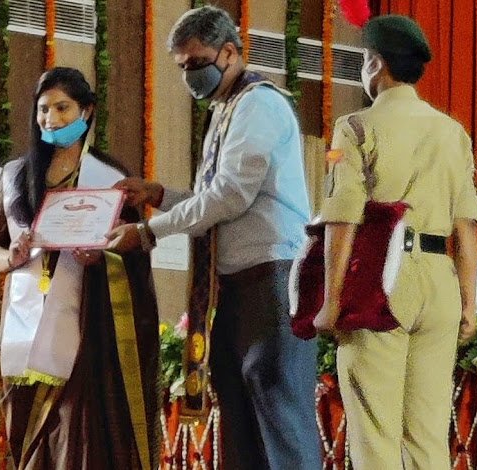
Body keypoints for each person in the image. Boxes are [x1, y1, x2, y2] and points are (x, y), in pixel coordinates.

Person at [107, 6, 321, 470]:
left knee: (280, 420)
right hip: (236, 287)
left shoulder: (258, 104)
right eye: (182, 67)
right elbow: (215, 200)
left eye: (198, 63)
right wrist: (159, 196)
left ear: (228, 52)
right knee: (241, 427)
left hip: (272, 280)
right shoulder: (226, 109)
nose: (190, 76)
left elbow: (229, 196)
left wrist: (147, 232)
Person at [313, 15, 477, 469]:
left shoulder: (354, 128)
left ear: (376, 63)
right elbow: (466, 227)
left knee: (375, 433)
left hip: (380, 282)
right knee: (427, 436)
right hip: (440, 281)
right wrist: (468, 301)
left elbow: (342, 218)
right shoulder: (452, 132)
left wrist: (331, 302)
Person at [0, 67, 160, 470]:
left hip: (85, 334)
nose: (51, 119)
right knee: (28, 442)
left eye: (62, 108)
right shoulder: (15, 176)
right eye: (43, 109)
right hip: (24, 329)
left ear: (87, 111)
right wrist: (9, 258)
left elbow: (134, 251)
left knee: (74, 443)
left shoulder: (111, 179)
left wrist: (102, 258)